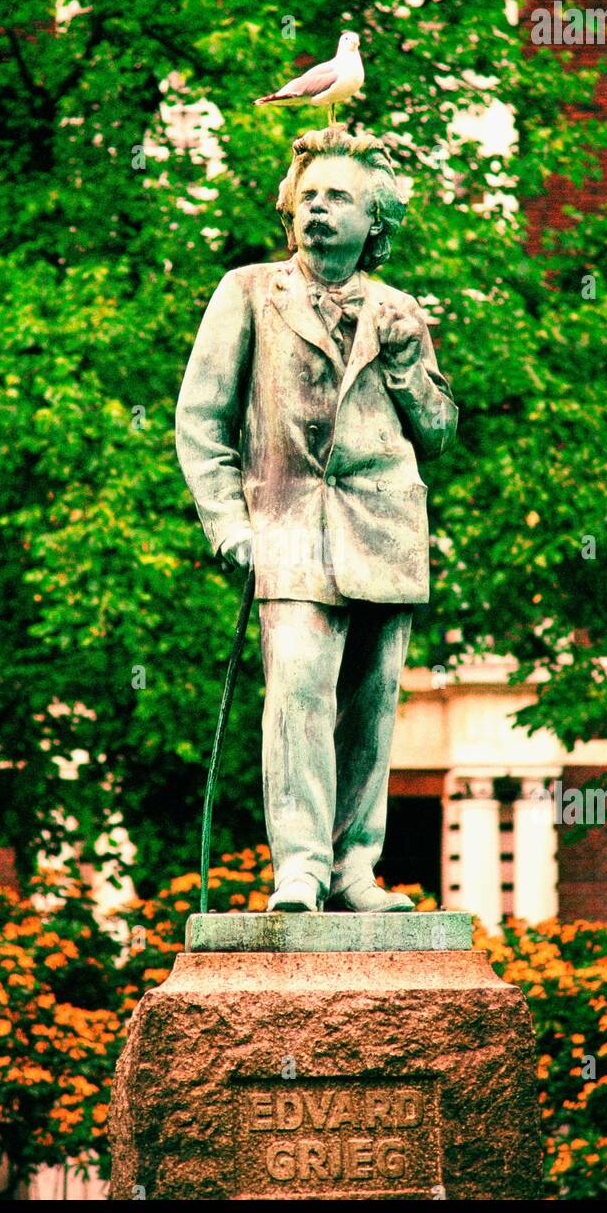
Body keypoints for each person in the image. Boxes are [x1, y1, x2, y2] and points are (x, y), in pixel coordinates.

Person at [175, 125, 458, 912]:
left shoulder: (401, 310)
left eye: (340, 198)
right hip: (288, 524)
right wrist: (230, 523)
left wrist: (405, 364)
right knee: (297, 689)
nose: (321, 210)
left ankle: (353, 871)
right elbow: (201, 422)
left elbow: (435, 433)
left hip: (385, 528)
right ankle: (298, 870)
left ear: (376, 223)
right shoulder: (246, 292)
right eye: (309, 199)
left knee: (370, 705)